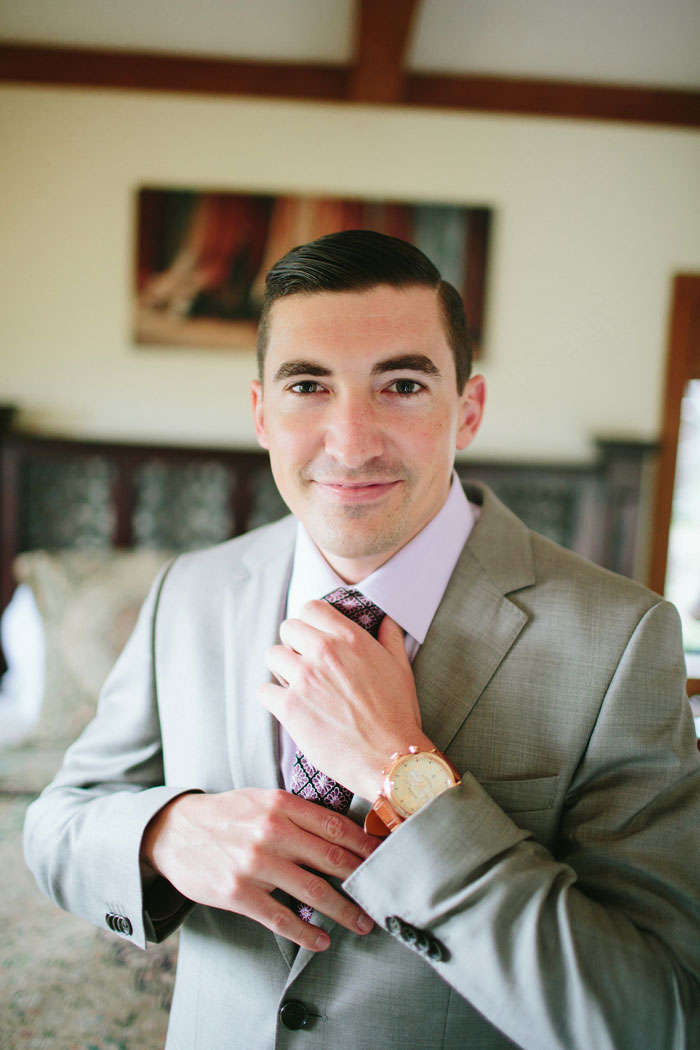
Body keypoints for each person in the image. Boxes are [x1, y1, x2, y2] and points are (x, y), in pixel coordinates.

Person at [24, 230, 700, 1050]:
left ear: (470, 409)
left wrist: (402, 772)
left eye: (403, 384)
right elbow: (58, 822)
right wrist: (164, 836)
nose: (351, 442)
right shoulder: (187, 594)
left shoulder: (622, 639)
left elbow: (655, 1015)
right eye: (308, 385)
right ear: (261, 413)